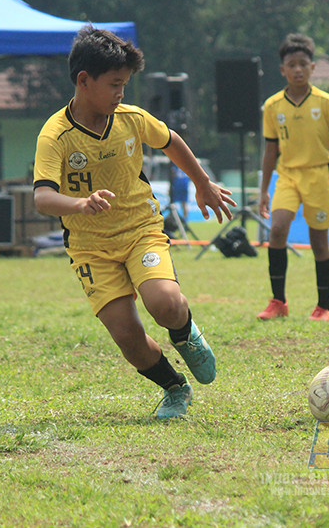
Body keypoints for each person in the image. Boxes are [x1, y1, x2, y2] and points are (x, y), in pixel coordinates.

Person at [33, 26, 236, 420]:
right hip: (90, 248)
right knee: (127, 337)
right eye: (115, 84)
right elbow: (42, 197)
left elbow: (170, 141)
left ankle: (185, 334)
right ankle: (174, 388)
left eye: (125, 84)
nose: (121, 93)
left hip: (140, 230)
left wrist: (202, 183)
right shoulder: (55, 135)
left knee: (165, 304)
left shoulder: (131, 118)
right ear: (83, 81)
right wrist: (79, 204)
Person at [256, 34, 329, 322]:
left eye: (302, 64)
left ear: (312, 68)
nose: (297, 69)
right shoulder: (273, 106)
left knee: (319, 242)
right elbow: (270, 150)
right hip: (287, 176)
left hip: (319, 175)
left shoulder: (325, 102)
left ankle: (324, 306)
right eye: (291, 65)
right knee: (277, 231)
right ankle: (278, 302)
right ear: (282, 70)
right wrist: (264, 190)